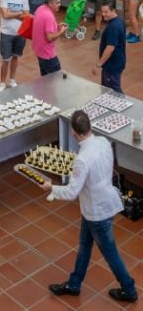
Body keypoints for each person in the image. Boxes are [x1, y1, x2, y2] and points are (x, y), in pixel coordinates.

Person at [43, 111, 138, 304]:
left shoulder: (82, 159)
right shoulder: (103, 142)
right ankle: (74, 284)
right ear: (90, 126)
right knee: (85, 245)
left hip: (96, 211)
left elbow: (71, 192)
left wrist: (51, 187)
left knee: (110, 252)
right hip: (104, 202)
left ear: (73, 133)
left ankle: (129, 288)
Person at [0, 0, 30, 93]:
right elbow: (5, 15)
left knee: (15, 57)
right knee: (6, 59)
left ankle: (12, 80)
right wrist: (19, 13)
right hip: (6, 33)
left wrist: (12, 13)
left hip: (20, 33)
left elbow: (26, 17)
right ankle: (2, 83)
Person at [33, 0, 68, 76]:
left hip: (39, 50)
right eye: (57, 3)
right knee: (55, 79)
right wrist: (61, 32)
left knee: (45, 78)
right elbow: (49, 38)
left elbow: (43, 27)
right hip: (47, 54)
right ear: (50, 3)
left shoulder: (40, 9)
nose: (60, 5)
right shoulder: (49, 16)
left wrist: (57, 27)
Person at [95, 3, 126, 93]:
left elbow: (110, 48)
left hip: (112, 65)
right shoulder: (120, 21)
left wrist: (98, 64)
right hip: (117, 61)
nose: (103, 14)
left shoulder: (113, 26)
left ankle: (123, 105)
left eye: (106, 12)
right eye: (102, 12)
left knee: (114, 91)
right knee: (106, 89)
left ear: (113, 10)